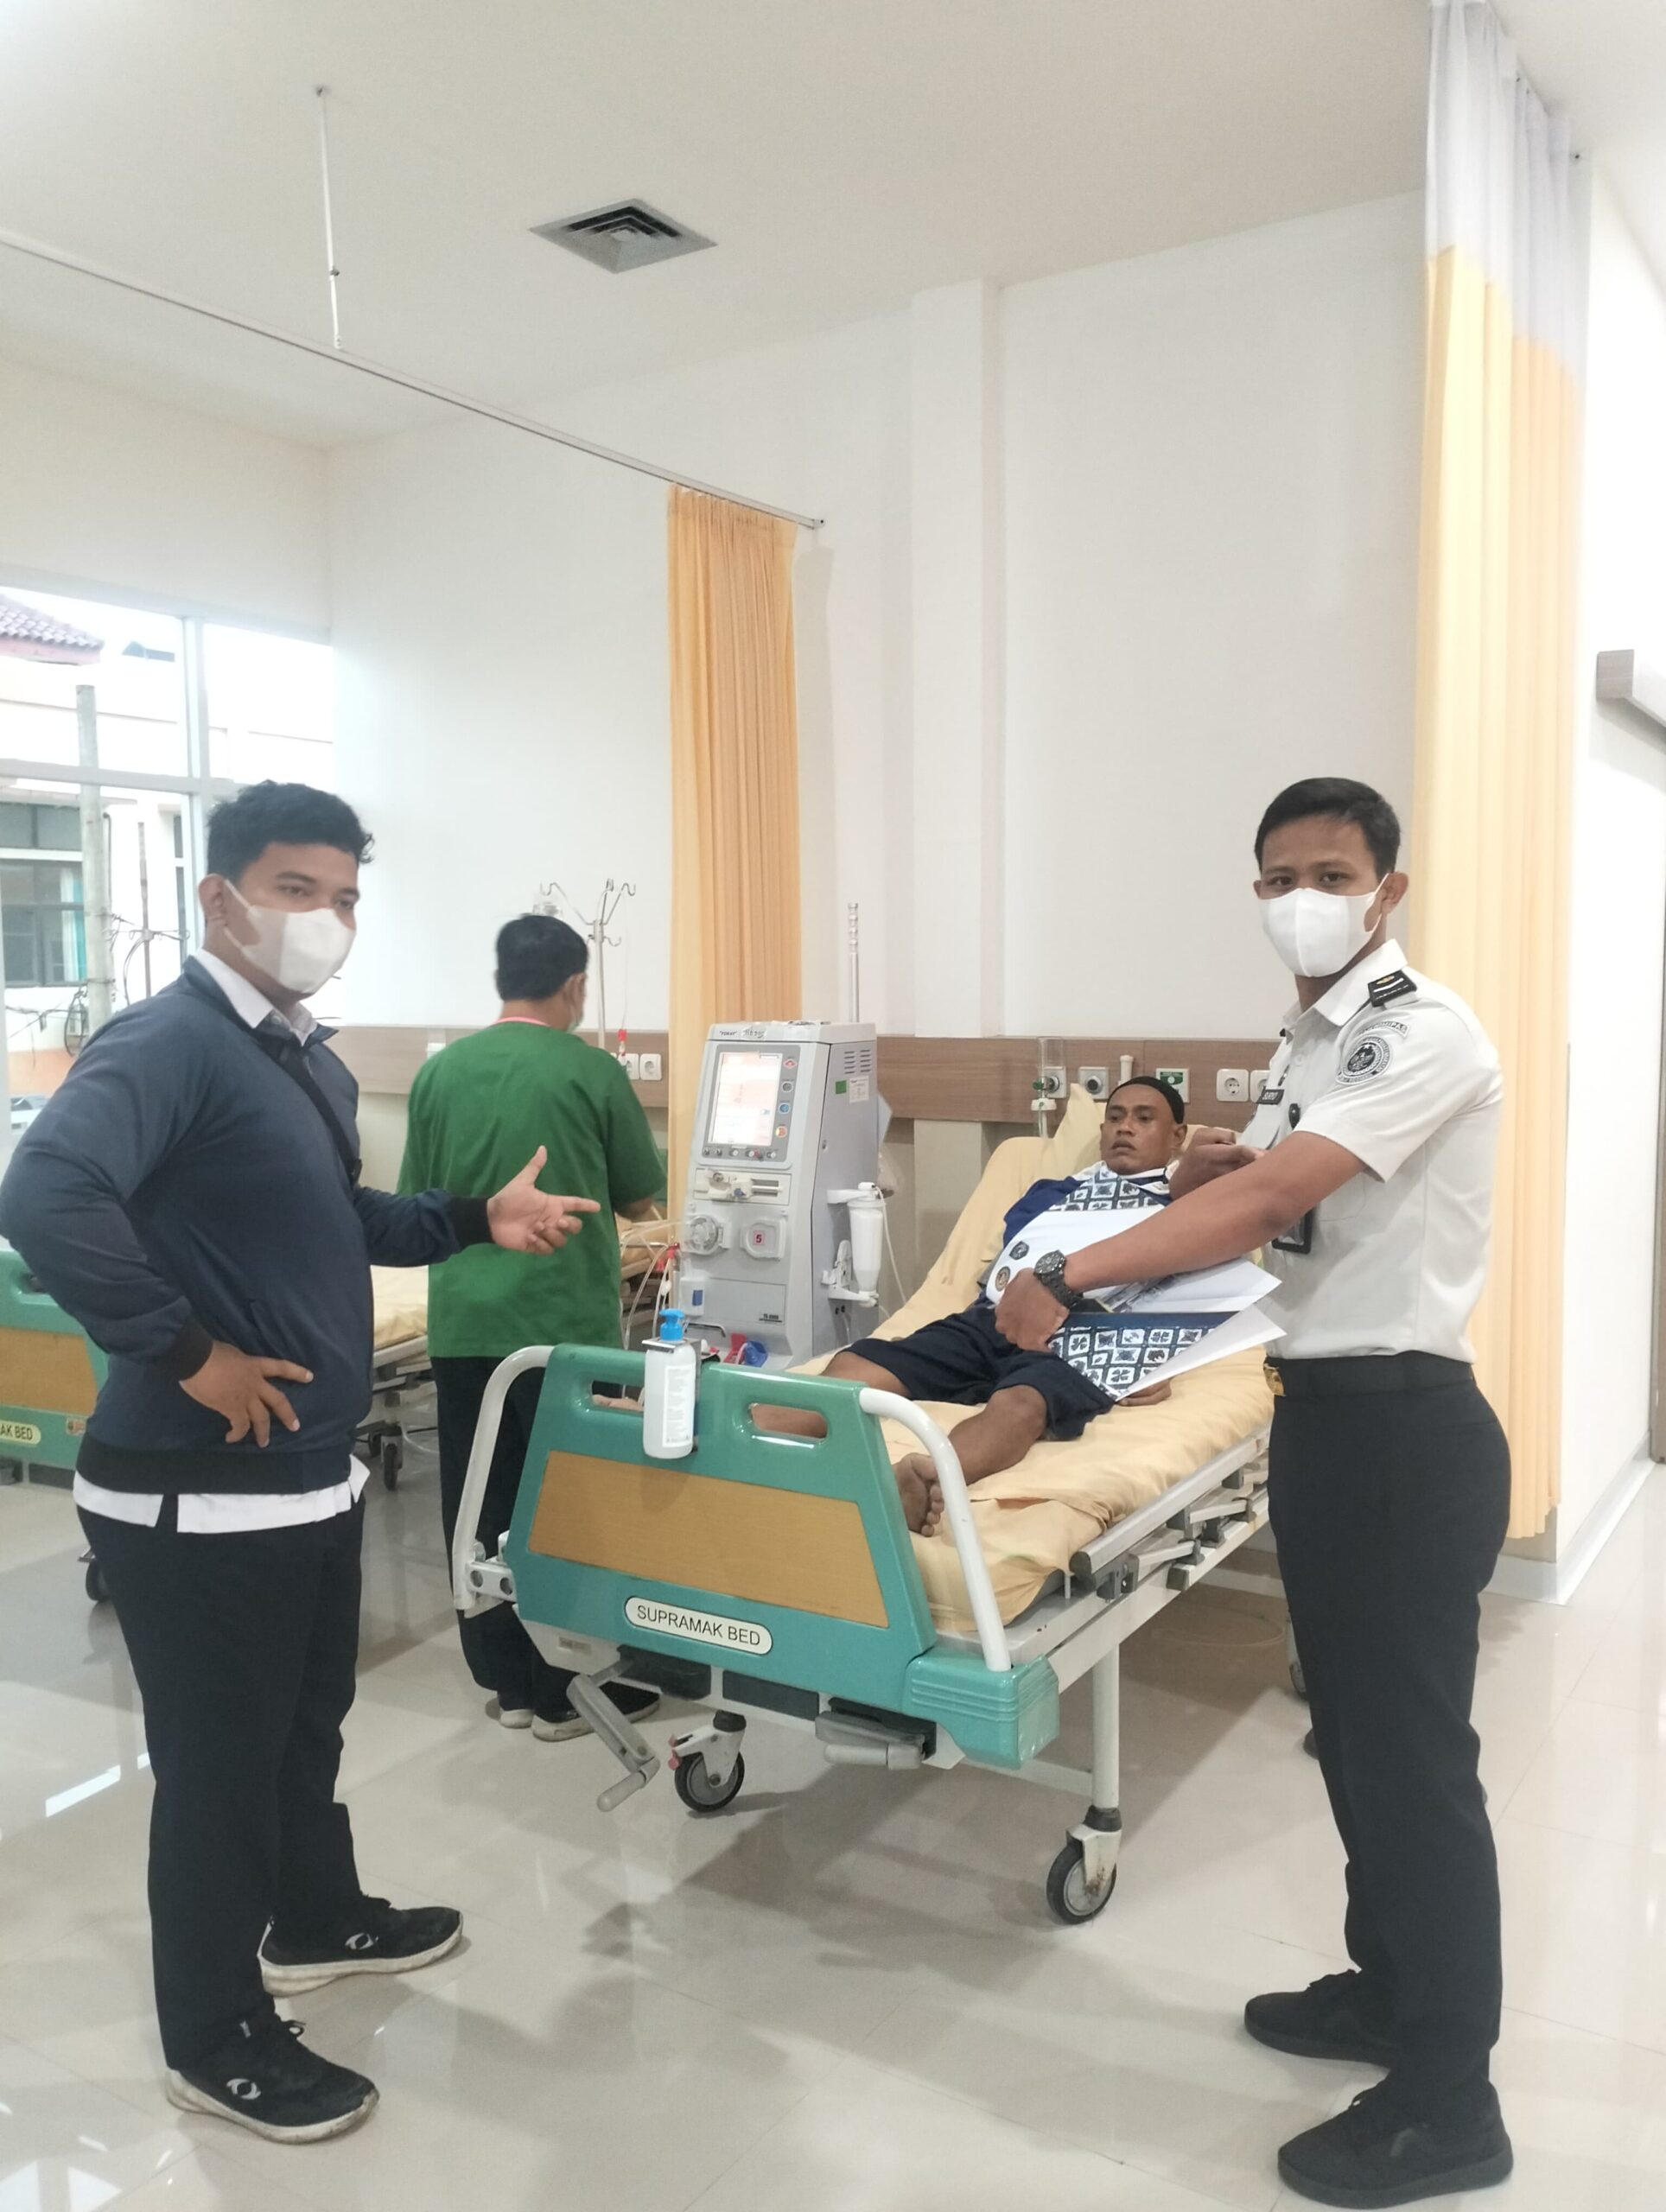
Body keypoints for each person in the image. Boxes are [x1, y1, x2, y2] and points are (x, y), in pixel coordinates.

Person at [0, 782, 599, 2147]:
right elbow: (42, 1192)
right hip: (192, 1483)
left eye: (343, 898)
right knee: (220, 1766)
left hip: (306, 1473)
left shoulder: (299, 1059)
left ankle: (315, 1919)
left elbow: (342, 1215)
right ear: (220, 898)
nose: (326, 919)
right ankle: (213, 2038)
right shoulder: (169, 1042)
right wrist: (185, 1349)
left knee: (303, 1726)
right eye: (295, 890)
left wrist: (474, 1216)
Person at [994, 778, 1511, 2209]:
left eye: (1331, 873)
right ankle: (1385, 1991)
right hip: (1328, 1422)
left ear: (1387, 889)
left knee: (1410, 1767)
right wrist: (1213, 1168)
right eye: (1278, 876)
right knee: (1350, 1741)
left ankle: (1450, 2100)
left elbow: (1271, 1205)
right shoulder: (1304, 1045)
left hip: (1404, 1430)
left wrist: (1068, 1274)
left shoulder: (1421, 1029)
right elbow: (1271, 1195)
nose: (1302, 898)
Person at [398, 913, 666, 1741]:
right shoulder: (591, 1072)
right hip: (561, 1329)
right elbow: (639, 1197)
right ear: (576, 985)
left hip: (464, 1325)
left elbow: (414, 1205)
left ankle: (506, 1681)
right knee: (566, 1505)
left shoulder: (440, 1074)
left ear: (500, 978)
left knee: (479, 1499)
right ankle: (567, 1689)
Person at [806, 1077, 1190, 1510]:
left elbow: (1194, 1295)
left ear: (1177, 1136)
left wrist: (1161, 1362)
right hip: (996, 1317)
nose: (1125, 1128)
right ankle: (751, 1449)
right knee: (858, 1364)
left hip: (1086, 1334)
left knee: (1022, 1404)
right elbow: (1016, 1256)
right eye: (1115, 1118)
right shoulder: (1053, 1194)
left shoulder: (1185, 1209)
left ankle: (928, 1477)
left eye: (1144, 1119)